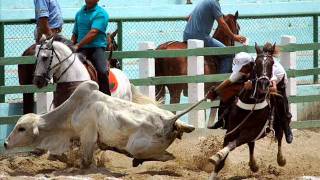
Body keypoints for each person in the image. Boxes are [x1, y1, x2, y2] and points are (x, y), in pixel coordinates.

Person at [209, 50, 293, 144]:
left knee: (280, 102)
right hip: (257, 80)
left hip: (278, 80)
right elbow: (229, 81)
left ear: (249, 65)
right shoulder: (245, 67)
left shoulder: (264, 67)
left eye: (241, 69)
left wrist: (252, 85)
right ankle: (223, 120)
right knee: (230, 90)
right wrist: (216, 91)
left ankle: (286, 127)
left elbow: (272, 88)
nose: (240, 71)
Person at [183, 0, 247, 74]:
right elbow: (222, 23)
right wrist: (234, 37)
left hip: (186, 35)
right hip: (201, 37)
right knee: (229, 54)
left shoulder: (203, 1)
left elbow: (187, 18)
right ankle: (220, 82)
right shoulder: (214, 3)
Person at [71, 0, 111, 95]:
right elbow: (75, 33)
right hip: (80, 48)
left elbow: (93, 32)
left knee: (102, 70)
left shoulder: (101, 13)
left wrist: (78, 45)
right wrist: (70, 46)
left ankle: (106, 96)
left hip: (96, 48)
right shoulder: (79, 13)